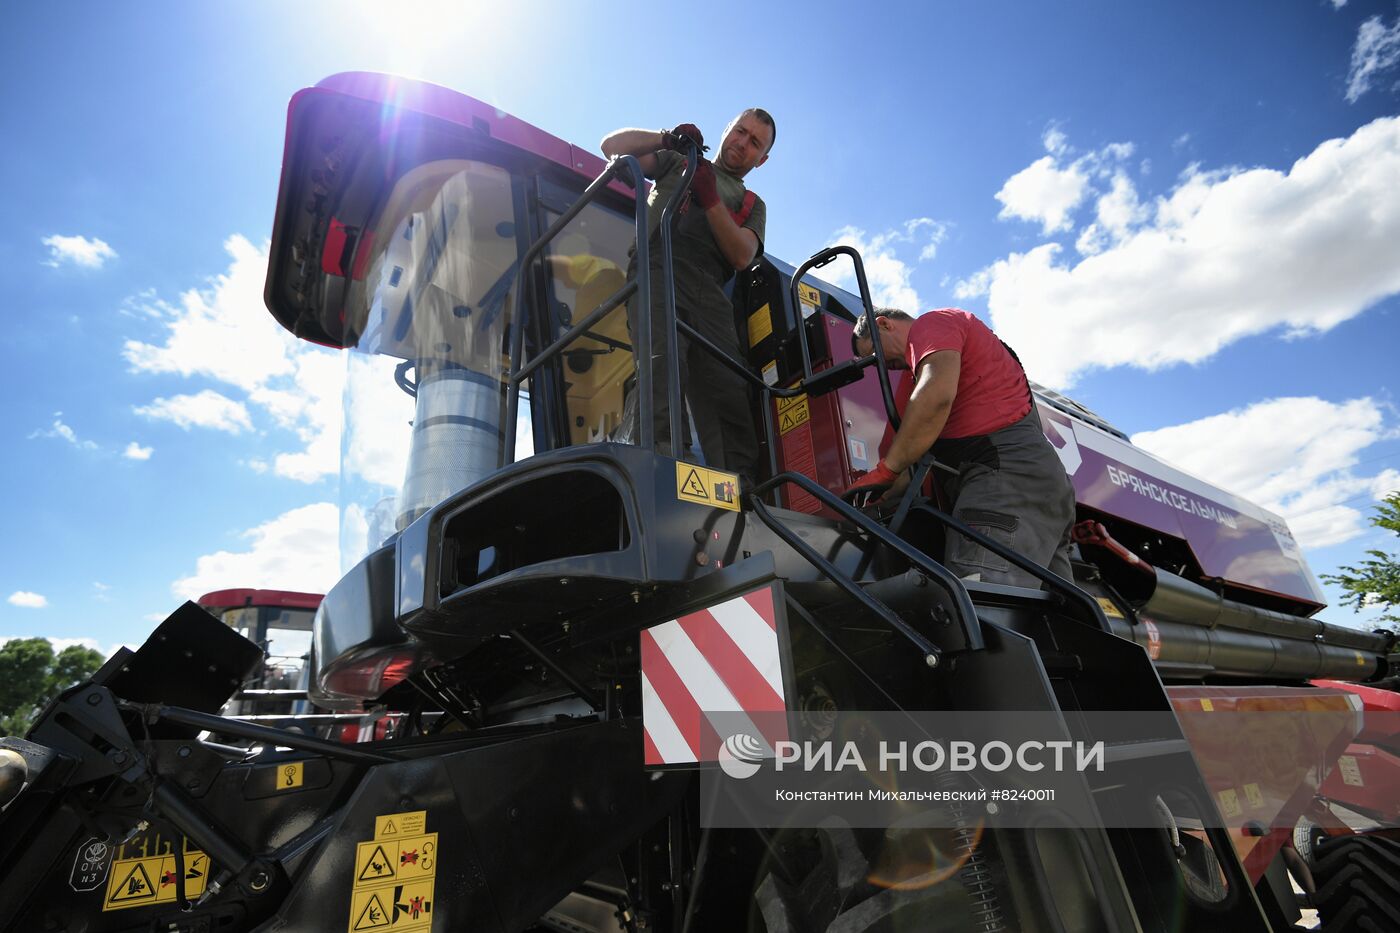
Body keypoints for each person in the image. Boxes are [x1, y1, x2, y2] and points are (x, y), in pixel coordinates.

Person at [845, 307, 1075, 589]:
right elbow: (912, 461)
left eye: (875, 355)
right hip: (1037, 484)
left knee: (980, 599)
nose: (881, 366)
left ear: (884, 325)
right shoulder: (920, 372)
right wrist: (877, 499)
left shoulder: (933, 324)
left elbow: (936, 396)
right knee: (1058, 619)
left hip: (1003, 478)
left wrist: (886, 469)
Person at [599, 110, 775, 478]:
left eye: (755, 142)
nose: (742, 143)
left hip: (709, 292)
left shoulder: (752, 205)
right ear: (726, 129)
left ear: (763, 160)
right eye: (740, 131)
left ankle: (743, 489)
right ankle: (664, 465)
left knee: (727, 387)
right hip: (657, 267)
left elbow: (742, 255)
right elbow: (611, 146)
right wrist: (665, 137)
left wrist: (709, 197)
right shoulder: (678, 159)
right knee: (663, 363)